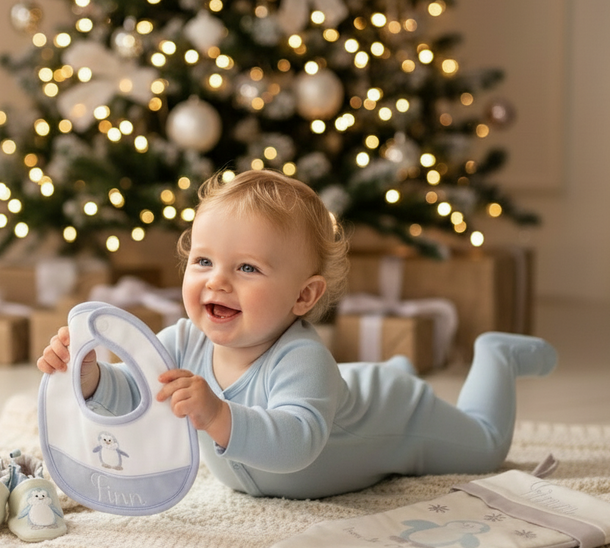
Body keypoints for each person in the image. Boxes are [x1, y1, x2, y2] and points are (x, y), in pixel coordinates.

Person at [38, 169, 557, 500]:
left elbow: (297, 444)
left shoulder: (302, 359)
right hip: (341, 390)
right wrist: (89, 377)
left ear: (303, 298)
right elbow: (134, 394)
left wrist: (217, 415)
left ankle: (497, 355)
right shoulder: (183, 342)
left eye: (247, 268)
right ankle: (384, 372)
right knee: (342, 387)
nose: (216, 280)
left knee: (486, 449)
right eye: (202, 260)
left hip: (395, 417)